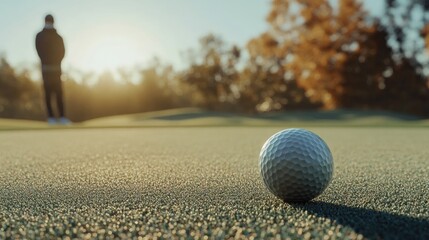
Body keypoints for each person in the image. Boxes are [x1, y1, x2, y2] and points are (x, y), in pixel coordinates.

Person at [35, 14, 70, 125]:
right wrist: (46, 62)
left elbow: (62, 52)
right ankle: (51, 118)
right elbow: (39, 50)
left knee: (59, 94)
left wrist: (56, 63)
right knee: (48, 94)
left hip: (57, 70)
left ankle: (62, 117)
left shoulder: (58, 37)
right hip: (46, 70)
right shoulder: (40, 36)